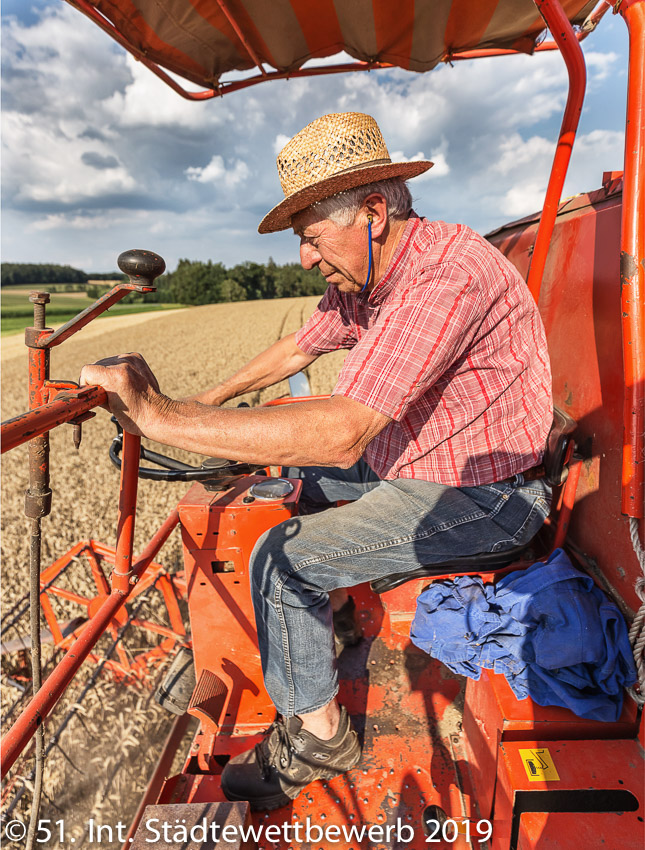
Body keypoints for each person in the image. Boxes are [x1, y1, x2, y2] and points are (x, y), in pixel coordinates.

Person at [80, 112, 553, 812]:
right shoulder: (369, 274)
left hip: (485, 498)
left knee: (282, 557)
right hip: (419, 461)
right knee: (284, 479)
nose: (304, 256)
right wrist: (202, 401)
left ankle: (319, 736)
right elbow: (301, 348)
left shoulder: (442, 277)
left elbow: (341, 433)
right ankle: (316, 633)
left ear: (371, 210)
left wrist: (160, 415)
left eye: (309, 237)